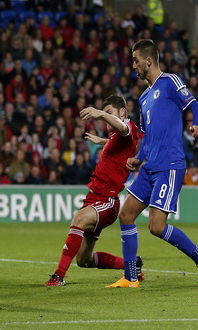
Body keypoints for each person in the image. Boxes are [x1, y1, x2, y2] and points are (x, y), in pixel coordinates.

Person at [106, 39, 198, 289]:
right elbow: (147, 136)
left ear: (148, 60)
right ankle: (131, 277)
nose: (133, 65)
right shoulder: (143, 98)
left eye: (135, 60)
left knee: (156, 226)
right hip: (149, 166)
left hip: (170, 165)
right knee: (126, 215)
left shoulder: (170, 82)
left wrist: (197, 123)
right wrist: (139, 159)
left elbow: (194, 104)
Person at [45, 94, 139, 286]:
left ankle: (58, 276)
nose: (105, 119)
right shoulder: (115, 137)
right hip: (94, 198)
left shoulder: (128, 127)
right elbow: (121, 143)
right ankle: (132, 266)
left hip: (107, 200)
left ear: (122, 112)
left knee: (79, 219)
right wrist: (102, 141)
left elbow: (123, 128)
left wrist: (98, 113)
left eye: (109, 113)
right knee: (84, 260)